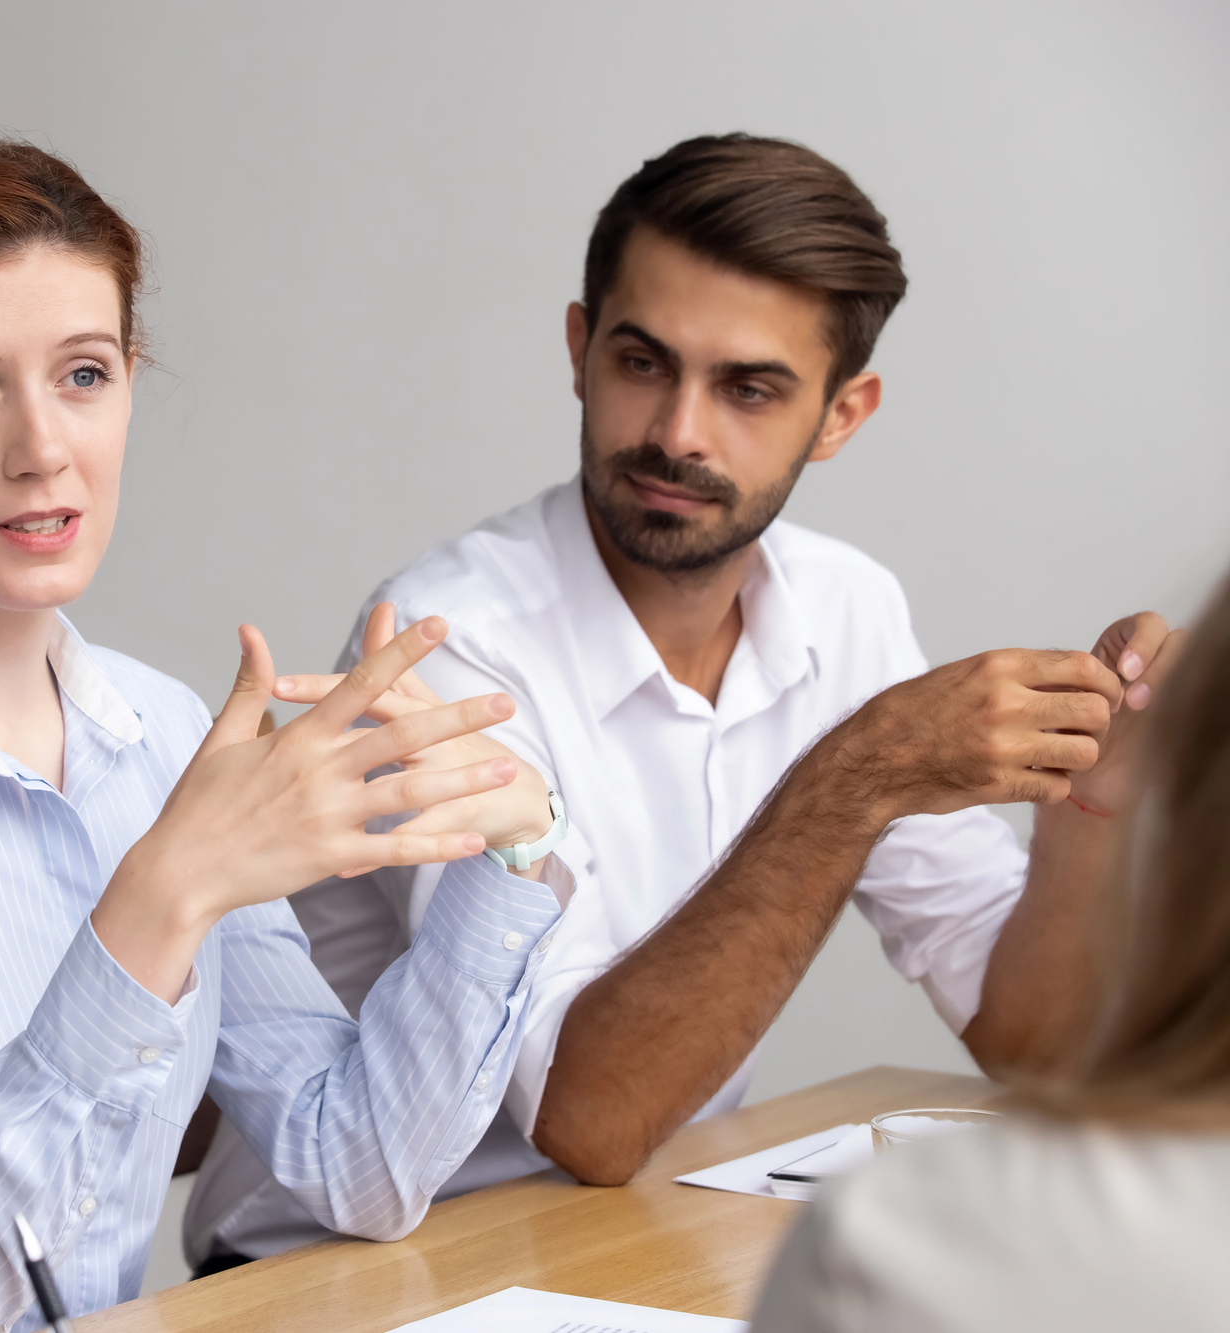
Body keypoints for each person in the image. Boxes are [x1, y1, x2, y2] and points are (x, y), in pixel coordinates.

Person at [184, 133, 1175, 1268]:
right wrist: (852, 779)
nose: (675, 433)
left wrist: (1088, 805)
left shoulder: (844, 606)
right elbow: (587, 1119)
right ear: (577, 348)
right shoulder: (445, 640)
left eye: (747, 388)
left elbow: (1034, 1042)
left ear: (841, 415)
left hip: (606, 1242)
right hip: (332, 1276)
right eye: (642, 362)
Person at [0, 128, 573, 1333]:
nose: (43, 451)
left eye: (83, 374)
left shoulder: (157, 728)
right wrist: (162, 895)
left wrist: (507, 855)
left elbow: (360, 1166)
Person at [750, 573, 1217, 1332]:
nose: (682, 443)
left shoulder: (898, 1235)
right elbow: (1032, 1046)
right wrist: (1088, 802)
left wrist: (855, 771)